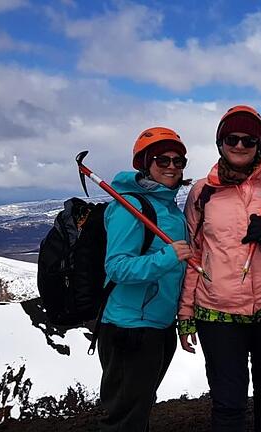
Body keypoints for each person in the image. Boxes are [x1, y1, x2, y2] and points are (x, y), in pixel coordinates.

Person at [177, 105, 261, 432]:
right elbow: (194, 253)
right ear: (220, 142)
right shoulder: (202, 192)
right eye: (231, 138)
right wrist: (185, 313)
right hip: (217, 313)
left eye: (248, 140)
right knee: (228, 402)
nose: (239, 145)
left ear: (258, 145)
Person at [99, 126, 192, 432]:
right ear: (145, 163)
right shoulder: (131, 207)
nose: (171, 167)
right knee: (125, 418)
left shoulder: (166, 206)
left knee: (137, 408)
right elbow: (117, 267)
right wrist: (167, 257)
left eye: (178, 161)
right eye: (162, 160)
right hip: (130, 329)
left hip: (156, 326)